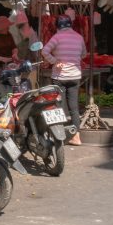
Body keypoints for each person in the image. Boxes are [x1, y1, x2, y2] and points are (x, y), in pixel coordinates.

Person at [42, 15, 87, 145]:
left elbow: (45, 51)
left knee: (59, 106)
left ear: (58, 26)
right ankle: (76, 137)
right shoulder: (79, 37)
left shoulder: (56, 37)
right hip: (75, 76)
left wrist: (55, 61)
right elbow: (83, 54)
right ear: (70, 25)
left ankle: (59, 136)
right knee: (74, 108)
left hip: (60, 77)